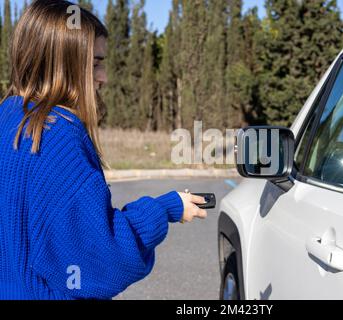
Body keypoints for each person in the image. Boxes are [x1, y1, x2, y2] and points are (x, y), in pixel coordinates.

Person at [0, 0, 207, 300]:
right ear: (64, 63)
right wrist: (166, 207)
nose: (103, 77)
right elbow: (101, 259)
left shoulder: (8, 116)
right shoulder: (58, 136)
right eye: (95, 63)